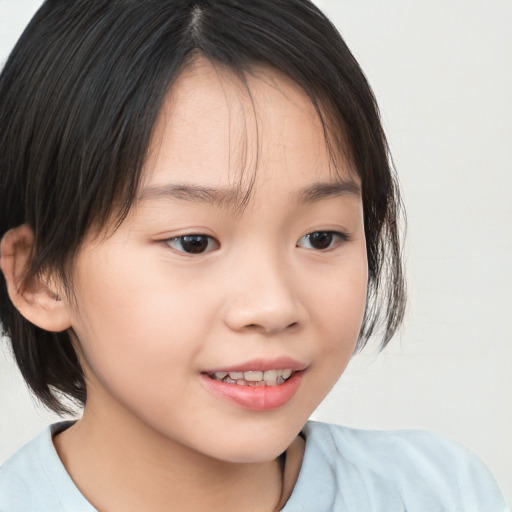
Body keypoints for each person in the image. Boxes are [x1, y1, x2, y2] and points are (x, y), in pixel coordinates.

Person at [0, 0, 506, 510]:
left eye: (321, 238)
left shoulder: (439, 492)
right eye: (193, 242)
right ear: (39, 277)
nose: (274, 306)